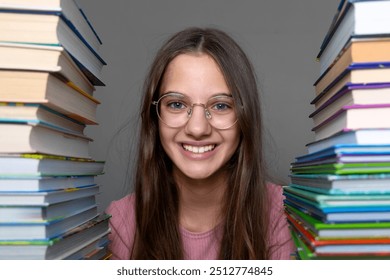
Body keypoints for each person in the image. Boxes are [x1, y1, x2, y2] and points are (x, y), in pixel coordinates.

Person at [105, 27, 295, 260]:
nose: (197, 129)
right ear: (154, 116)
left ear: (245, 118)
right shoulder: (122, 223)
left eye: (221, 105)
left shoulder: (284, 216)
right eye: (176, 104)